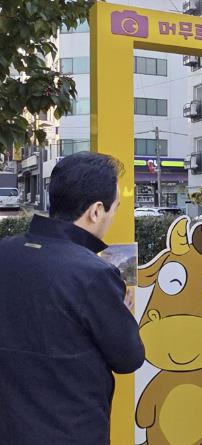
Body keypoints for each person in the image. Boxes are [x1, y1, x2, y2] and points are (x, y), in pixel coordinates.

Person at [0, 152, 145, 444]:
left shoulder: (6, 251)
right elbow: (129, 358)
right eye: (115, 208)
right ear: (96, 211)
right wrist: (121, 312)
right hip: (71, 430)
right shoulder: (94, 274)